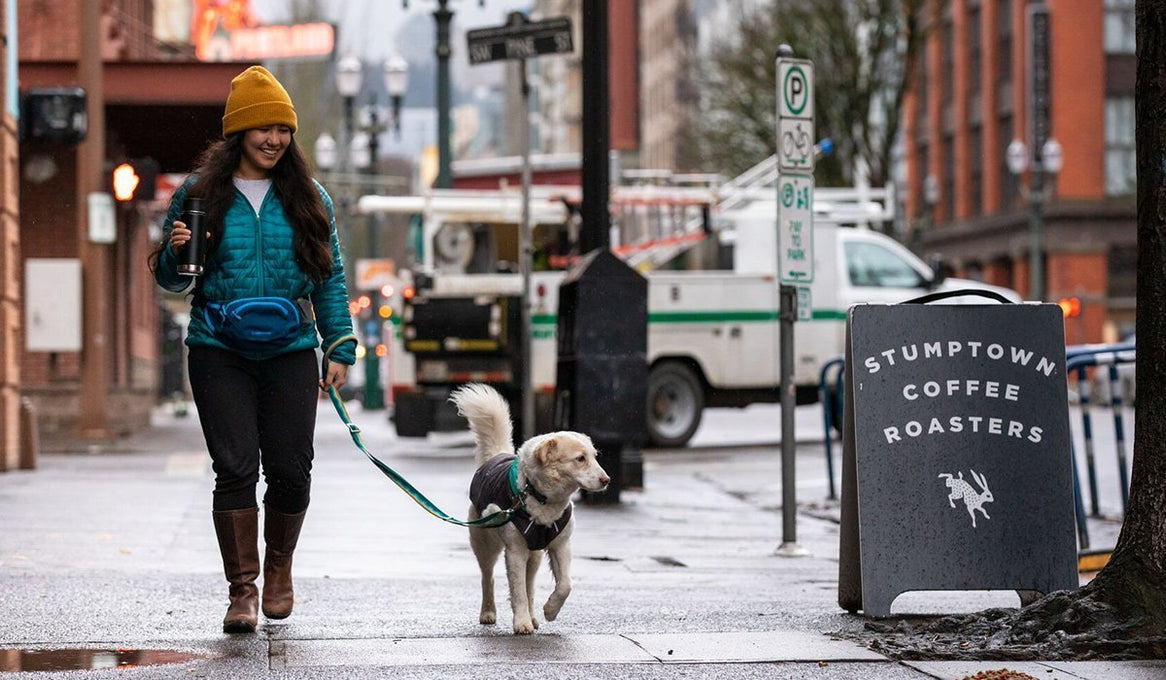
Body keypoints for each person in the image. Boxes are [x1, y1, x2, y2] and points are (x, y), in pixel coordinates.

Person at [150, 65, 357, 634]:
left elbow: (330, 276)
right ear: (238, 132)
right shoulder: (198, 194)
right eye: (262, 128)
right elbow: (172, 280)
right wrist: (174, 253)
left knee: (291, 470)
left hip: (290, 346)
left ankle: (280, 568)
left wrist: (339, 344)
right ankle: (242, 591)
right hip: (219, 348)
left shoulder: (308, 197)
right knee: (235, 467)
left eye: (283, 129)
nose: (273, 139)